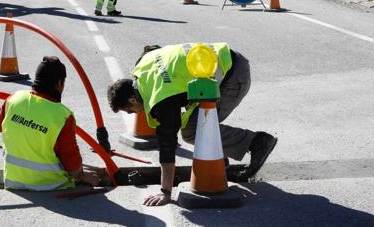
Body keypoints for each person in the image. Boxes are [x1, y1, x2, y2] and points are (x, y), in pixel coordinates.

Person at [107, 43, 278, 206]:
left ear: (132, 99)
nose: (136, 113)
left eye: (131, 110)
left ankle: (257, 142)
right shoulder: (142, 66)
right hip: (227, 59)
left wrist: (165, 191)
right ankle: (219, 159)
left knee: (193, 131)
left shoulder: (161, 99)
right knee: (194, 126)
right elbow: (153, 49)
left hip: (232, 78)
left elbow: (167, 145)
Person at [0, 56, 104, 190]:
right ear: (59, 83)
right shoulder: (62, 115)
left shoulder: (14, 99)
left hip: (14, 182)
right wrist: (81, 175)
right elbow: (70, 158)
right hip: (50, 185)